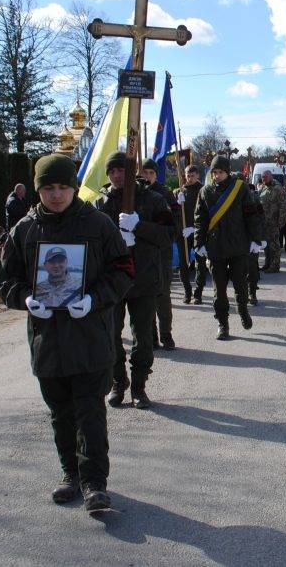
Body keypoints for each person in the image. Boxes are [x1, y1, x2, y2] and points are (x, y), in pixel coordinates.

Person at [0, 153, 132, 514]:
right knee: (60, 413)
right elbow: (6, 280)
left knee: (90, 412)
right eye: (48, 188)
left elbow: (123, 270)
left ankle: (94, 484)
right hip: (48, 341)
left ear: (74, 187)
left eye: (63, 187)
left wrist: (94, 298)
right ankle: (70, 474)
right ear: (38, 190)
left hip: (90, 336)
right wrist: (25, 298)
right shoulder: (24, 230)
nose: (56, 195)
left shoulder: (99, 225)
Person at [94, 151, 174, 407]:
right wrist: (117, 240)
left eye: (122, 170)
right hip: (111, 282)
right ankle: (119, 381)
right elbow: (92, 244)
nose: (117, 175)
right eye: (112, 171)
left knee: (143, 336)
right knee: (110, 336)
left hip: (144, 278)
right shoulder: (99, 204)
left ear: (131, 173)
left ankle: (139, 386)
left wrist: (139, 227)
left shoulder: (154, 200)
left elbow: (167, 235)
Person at [193, 156, 263, 341]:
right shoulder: (205, 191)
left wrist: (256, 239)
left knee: (240, 284)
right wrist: (198, 243)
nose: (217, 176)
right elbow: (200, 219)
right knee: (219, 289)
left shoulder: (240, 189)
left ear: (228, 171)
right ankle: (222, 323)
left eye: (220, 172)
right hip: (216, 248)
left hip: (239, 246)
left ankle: (242, 310)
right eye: (214, 173)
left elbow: (251, 215)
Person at [139, 158, 179, 350]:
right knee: (146, 297)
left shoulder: (165, 194)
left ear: (156, 175)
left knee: (163, 295)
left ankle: (166, 334)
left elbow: (174, 223)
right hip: (142, 254)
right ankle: (152, 335)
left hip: (162, 252)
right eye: (144, 172)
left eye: (150, 173)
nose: (147, 176)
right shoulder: (135, 193)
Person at [174, 164, 206, 305]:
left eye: (193, 175)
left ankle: (198, 293)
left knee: (200, 264)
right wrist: (176, 203)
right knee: (183, 264)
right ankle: (187, 292)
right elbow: (174, 214)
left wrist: (194, 228)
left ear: (197, 175)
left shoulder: (204, 191)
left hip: (199, 233)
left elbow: (207, 213)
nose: (190, 178)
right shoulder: (179, 191)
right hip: (183, 234)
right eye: (188, 175)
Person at [258, 170, 286, 272]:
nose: (263, 179)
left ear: (271, 176)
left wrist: (281, 221)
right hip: (264, 222)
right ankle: (267, 263)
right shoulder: (263, 188)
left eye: (265, 177)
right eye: (262, 177)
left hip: (274, 222)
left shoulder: (278, 188)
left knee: (274, 245)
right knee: (266, 244)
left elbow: (283, 206)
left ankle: (275, 266)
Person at [247, 182, 265, 305]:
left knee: (252, 267)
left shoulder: (253, 197)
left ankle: (252, 293)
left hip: (252, 237)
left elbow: (261, 218)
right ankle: (243, 293)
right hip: (235, 238)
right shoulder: (228, 195)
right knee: (239, 269)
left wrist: (260, 239)